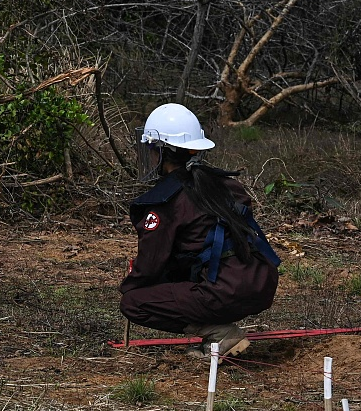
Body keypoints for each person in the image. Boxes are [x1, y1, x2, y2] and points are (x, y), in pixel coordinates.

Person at [120, 103, 280, 357]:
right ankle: (218, 325)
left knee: (134, 303)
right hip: (262, 285)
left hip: (224, 292)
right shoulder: (226, 184)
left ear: (160, 151)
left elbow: (150, 266)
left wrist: (129, 288)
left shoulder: (166, 201)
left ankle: (220, 333)